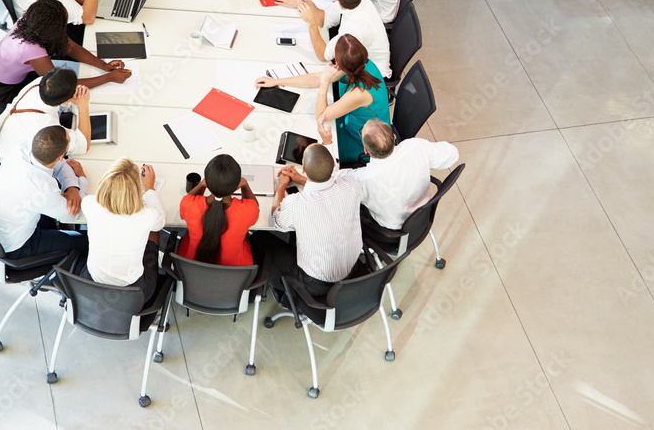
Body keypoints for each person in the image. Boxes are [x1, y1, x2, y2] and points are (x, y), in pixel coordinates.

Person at [257, 34, 390, 166]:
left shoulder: (360, 93)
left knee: (314, 154)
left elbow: (320, 116)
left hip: (363, 141)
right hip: (351, 122)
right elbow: (315, 79)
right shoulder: (358, 62)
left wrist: (325, 82)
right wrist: (276, 81)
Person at [250, 144, 363, 299]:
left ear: (303, 168)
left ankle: (285, 296)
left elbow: (276, 221)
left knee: (258, 238)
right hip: (352, 271)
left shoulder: (297, 203)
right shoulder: (352, 185)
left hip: (315, 285)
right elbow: (328, 188)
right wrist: (303, 180)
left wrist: (281, 187)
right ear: (332, 167)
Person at [0, 0, 131, 110]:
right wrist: (108, 78)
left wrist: (104, 65)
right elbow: (60, 86)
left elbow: (70, 47)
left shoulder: (32, 20)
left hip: (3, 71)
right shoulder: (32, 50)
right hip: (1, 91)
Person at [0, 125, 88, 261]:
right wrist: (82, 179)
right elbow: (74, 214)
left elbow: (62, 165)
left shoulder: (23, 148)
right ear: (62, 155)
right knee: (86, 242)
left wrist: (72, 188)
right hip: (16, 248)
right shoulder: (42, 188)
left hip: (2, 229)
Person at [81, 158, 166, 306]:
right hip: (134, 293)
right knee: (154, 233)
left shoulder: (89, 203)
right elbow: (160, 222)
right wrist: (150, 189)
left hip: (92, 283)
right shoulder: (147, 215)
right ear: (135, 191)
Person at [347, 120, 460, 230]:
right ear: (394, 136)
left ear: (366, 150)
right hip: (422, 215)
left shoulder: (362, 179)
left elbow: (334, 181)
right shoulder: (416, 146)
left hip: (391, 227)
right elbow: (453, 154)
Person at [280, 0, 390, 79]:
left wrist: (311, 24)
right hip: (361, 62)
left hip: (374, 77)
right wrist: (310, 4)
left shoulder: (353, 29)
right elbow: (324, 20)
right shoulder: (357, 0)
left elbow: (323, 55)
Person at [0, 69, 91, 165]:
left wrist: (73, 97)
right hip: (13, 163)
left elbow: (63, 104)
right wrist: (83, 106)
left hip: (8, 135)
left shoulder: (42, 83)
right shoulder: (46, 126)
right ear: (66, 101)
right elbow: (83, 145)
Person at [177, 155, 259, 266]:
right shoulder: (247, 211)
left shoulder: (188, 205)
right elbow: (254, 206)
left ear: (207, 181)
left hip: (191, 268)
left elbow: (189, 198)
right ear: (236, 185)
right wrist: (244, 184)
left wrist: (202, 184)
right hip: (234, 274)